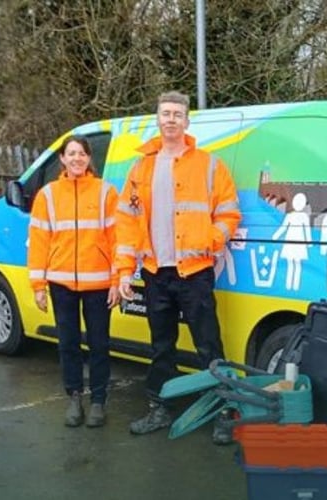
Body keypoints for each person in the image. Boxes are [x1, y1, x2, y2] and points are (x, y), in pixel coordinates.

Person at [115, 91, 241, 444]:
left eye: (177, 114)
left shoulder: (209, 164)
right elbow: (127, 222)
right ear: (158, 119)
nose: (170, 119)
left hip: (195, 272)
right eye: (165, 113)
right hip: (156, 272)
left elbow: (230, 213)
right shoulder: (141, 168)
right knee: (161, 346)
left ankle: (223, 411)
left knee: (208, 345)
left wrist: (211, 239)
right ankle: (159, 407)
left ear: (187, 122)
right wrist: (125, 271)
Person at [27, 135, 120, 428]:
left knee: (99, 344)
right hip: (61, 283)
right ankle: (74, 397)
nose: (77, 158)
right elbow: (39, 241)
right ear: (63, 160)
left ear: (89, 158)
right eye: (71, 153)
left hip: (99, 283)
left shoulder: (106, 192)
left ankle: (98, 401)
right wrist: (38, 285)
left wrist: (117, 280)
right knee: (67, 344)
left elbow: (118, 241)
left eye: (82, 153)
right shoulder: (48, 195)